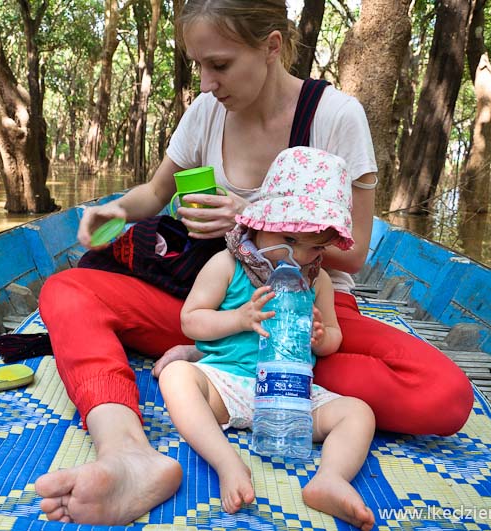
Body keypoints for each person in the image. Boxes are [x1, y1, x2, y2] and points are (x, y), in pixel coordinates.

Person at [36, 0, 473, 525]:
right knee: (67, 290)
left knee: (445, 397)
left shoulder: (337, 117)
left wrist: (253, 216)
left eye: (218, 65)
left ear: (271, 46)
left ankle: (233, 370)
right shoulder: (205, 113)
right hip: (215, 306)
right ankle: (128, 451)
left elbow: (353, 252)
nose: (204, 83)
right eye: (197, 65)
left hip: (308, 309)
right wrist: (111, 213)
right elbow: (155, 193)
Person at [159, 147, 375, 531]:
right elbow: (191, 320)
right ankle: (227, 462)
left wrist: (319, 337)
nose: (298, 255)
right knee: (177, 377)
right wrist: (239, 318)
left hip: (291, 394)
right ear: (259, 221)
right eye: (289, 238)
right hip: (227, 385)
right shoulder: (226, 266)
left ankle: (331, 478)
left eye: (316, 246)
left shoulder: (317, 279)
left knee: (358, 413)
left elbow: (334, 340)